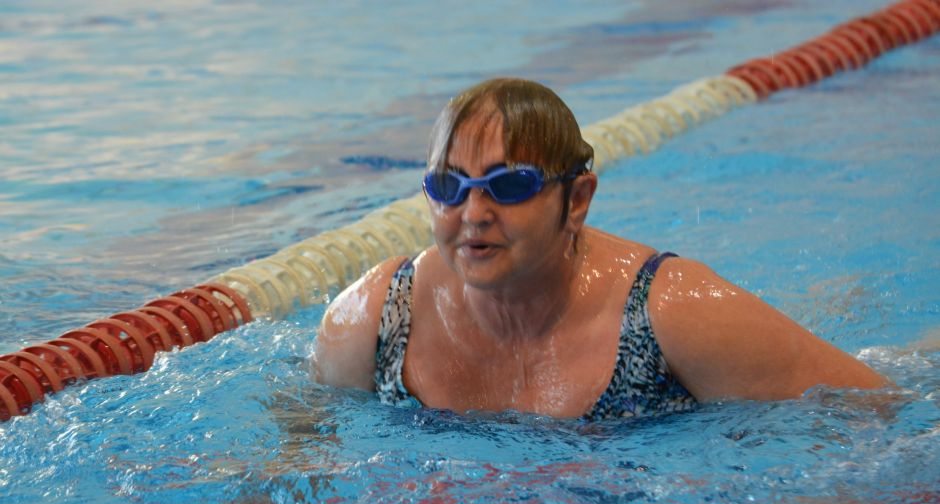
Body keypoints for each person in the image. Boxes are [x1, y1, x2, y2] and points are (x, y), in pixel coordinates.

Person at [312, 78, 887, 419]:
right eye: (448, 187)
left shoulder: (669, 313)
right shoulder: (374, 321)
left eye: (510, 186)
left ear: (578, 200)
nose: (474, 213)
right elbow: (302, 437)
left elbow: (877, 406)